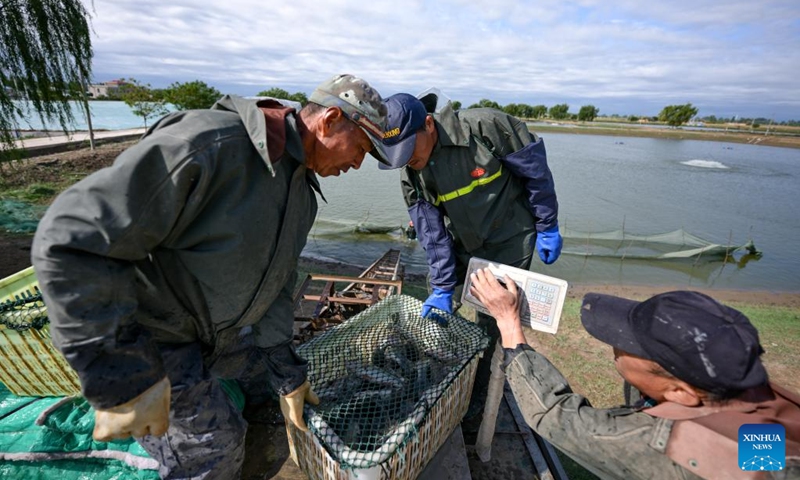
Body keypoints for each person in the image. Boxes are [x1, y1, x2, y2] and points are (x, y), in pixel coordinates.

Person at [30, 74, 390, 479]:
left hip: (222, 334)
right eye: (361, 148)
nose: (358, 164)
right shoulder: (210, 145)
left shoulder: (302, 194)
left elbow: (277, 285)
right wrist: (120, 375)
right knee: (213, 449)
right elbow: (70, 240)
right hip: (155, 338)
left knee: (270, 395)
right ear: (329, 121)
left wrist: (288, 377)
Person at [468, 269, 800, 480]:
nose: (614, 344)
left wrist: (509, 323)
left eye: (628, 345)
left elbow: (556, 417)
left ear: (681, 393)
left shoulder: (663, 443)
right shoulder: (757, 410)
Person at [380, 91, 563, 415]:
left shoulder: (486, 126)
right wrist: (441, 286)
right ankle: (433, 371)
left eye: (409, 149)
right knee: (438, 298)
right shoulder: (411, 174)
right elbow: (432, 235)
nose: (407, 160)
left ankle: (480, 395)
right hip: (463, 239)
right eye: (399, 155)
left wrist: (547, 224)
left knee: (492, 316)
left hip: (510, 238)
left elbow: (536, 173)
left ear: (428, 124)